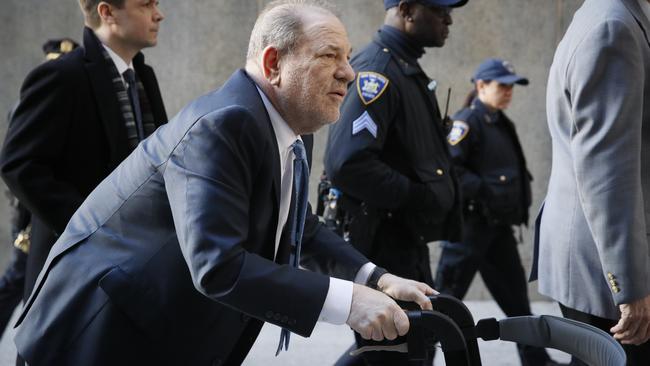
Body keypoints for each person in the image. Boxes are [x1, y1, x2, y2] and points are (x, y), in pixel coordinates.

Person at [12, 1, 437, 365]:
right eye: (329, 56)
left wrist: (376, 279)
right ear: (274, 64)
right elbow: (218, 266)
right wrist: (349, 304)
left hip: (155, 333)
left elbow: (298, 225)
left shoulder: (282, 125)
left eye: (347, 56)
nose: (348, 72)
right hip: (97, 339)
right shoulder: (224, 124)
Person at [0, 0, 167, 317]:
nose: (159, 14)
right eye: (146, 4)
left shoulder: (144, 76)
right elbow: (19, 164)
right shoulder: (60, 75)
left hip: (132, 267)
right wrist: (91, 230)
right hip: (73, 273)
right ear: (107, 13)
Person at [324, 0, 467, 364]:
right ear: (406, 10)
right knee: (395, 353)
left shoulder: (405, 69)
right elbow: (349, 163)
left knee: (408, 347)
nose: (448, 19)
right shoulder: (378, 72)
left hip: (404, 241)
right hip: (384, 244)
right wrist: (418, 195)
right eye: (439, 11)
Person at [531, 0, 650, 364]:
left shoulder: (600, 15)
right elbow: (608, 170)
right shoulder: (613, 27)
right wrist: (629, 287)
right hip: (603, 267)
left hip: (591, 256)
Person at [434, 58, 564, 366]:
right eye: (502, 85)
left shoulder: (501, 122)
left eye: (511, 86)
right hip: (468, 231)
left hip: (498, 231)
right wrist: (486, 190)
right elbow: (451, 169)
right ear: (481, 86)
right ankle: (421, 359)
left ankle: (536, 359)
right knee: (441, 308)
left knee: (518, 303)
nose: (508, 92)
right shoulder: (468, 121)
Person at [0, 38, 80, 341]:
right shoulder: (35, 97)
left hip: (35, 216)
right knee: (19, 281)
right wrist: (23, 223)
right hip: (30, 216)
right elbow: (19, 165)